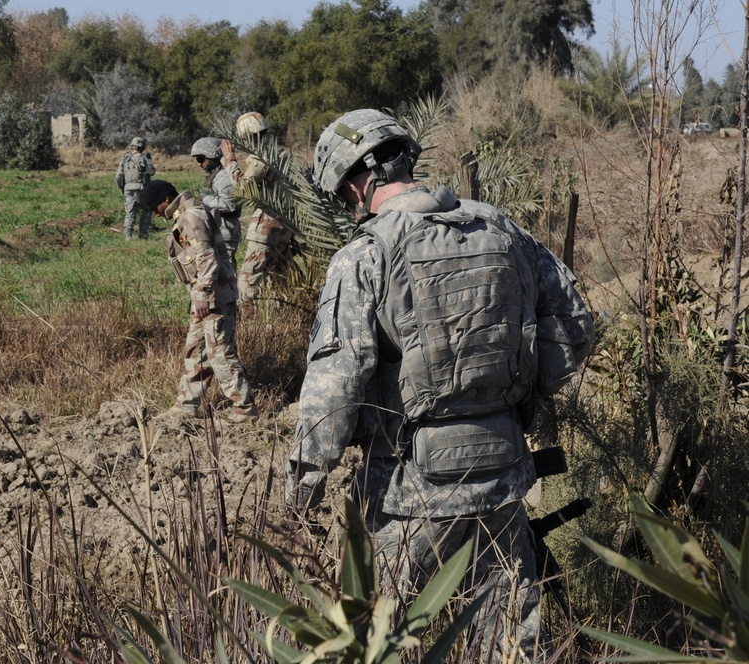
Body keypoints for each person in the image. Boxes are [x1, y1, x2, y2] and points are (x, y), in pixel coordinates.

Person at [284, 109, 594, 662]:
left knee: (375, 642)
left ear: (353, 185)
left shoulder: (366, 255)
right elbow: (577, 326)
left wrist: (302, 489)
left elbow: (334, 387)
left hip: (410, 493)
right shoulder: (502, 229)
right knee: (510, 644)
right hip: (503, 477)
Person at [139, 179, 258, 424]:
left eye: (155, 208)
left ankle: (244, 408)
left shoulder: (191, 216)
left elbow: (206, 257)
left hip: (213, 295)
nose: (156, 214)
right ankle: (187, 404)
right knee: (196, 351)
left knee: (220, 351)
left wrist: (203, 293)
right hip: (204, 294)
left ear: (165, 200)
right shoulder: (186, 214)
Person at [220, 112, 297, 305]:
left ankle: (248, 322)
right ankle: (284, 320)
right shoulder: (281, 153)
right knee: (279, 280)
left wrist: (230, 160)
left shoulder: (262, 158)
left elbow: (245, 188)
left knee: (248, 281)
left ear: (248, 135)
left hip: (266, 229)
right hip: (284, 227)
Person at [190, 137, 241, 266]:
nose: (198, 164)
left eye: (201, 159)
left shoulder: (223, 176)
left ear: (212, 157)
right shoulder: (216, 175)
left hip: (226, 233)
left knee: (227, 269)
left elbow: (230, 204)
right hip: (219, 231)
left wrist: (204, 199)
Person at [115, 136, 155, 240]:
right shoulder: (143, 158)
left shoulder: (125, 159)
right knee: (147, 209)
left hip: (128, 188)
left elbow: (118, 176)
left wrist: (122, 187)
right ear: (142, 146)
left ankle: (128, 236)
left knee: (130, 212)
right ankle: (143, 233)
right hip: (141, 188)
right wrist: (149, 160)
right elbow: (152, 171)